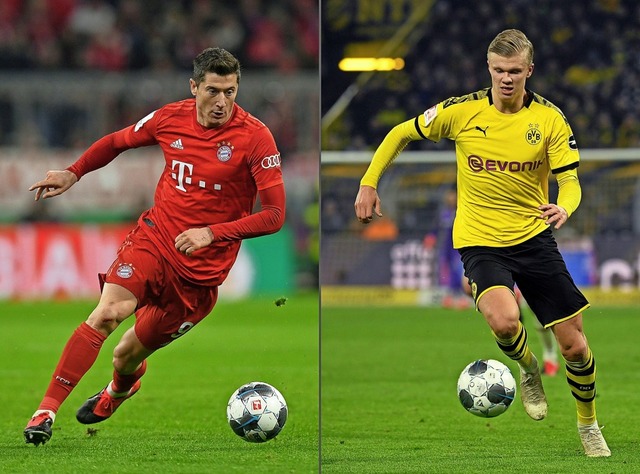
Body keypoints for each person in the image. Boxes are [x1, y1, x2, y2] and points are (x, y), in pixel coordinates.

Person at [354, 29, 610, 457]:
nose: (506, 78)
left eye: (514, 71)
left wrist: (565, 208)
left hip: (533, 238)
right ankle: (528, 367)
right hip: (479, 240)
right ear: (488, 68)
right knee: (506, 322)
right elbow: (400, 133)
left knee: (575, 346)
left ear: (529, 70)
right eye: (498, 70)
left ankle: (589, 426)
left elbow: (570, 182)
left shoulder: (549, 119)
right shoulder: (461, 111)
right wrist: (368, 182)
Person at [23, 47, 286, 446]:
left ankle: (118, 390)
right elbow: (116, 141)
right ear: (194, 86)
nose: (222, 102)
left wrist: (212, 233)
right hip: (155, 240)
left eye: (231, 92)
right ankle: (45, 411)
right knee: (108, 314)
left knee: (125, 356)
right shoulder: (170, 118)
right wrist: (73, 172)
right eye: (213, 91)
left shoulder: (255, 137)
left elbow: (274, 215)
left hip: (199, 278)